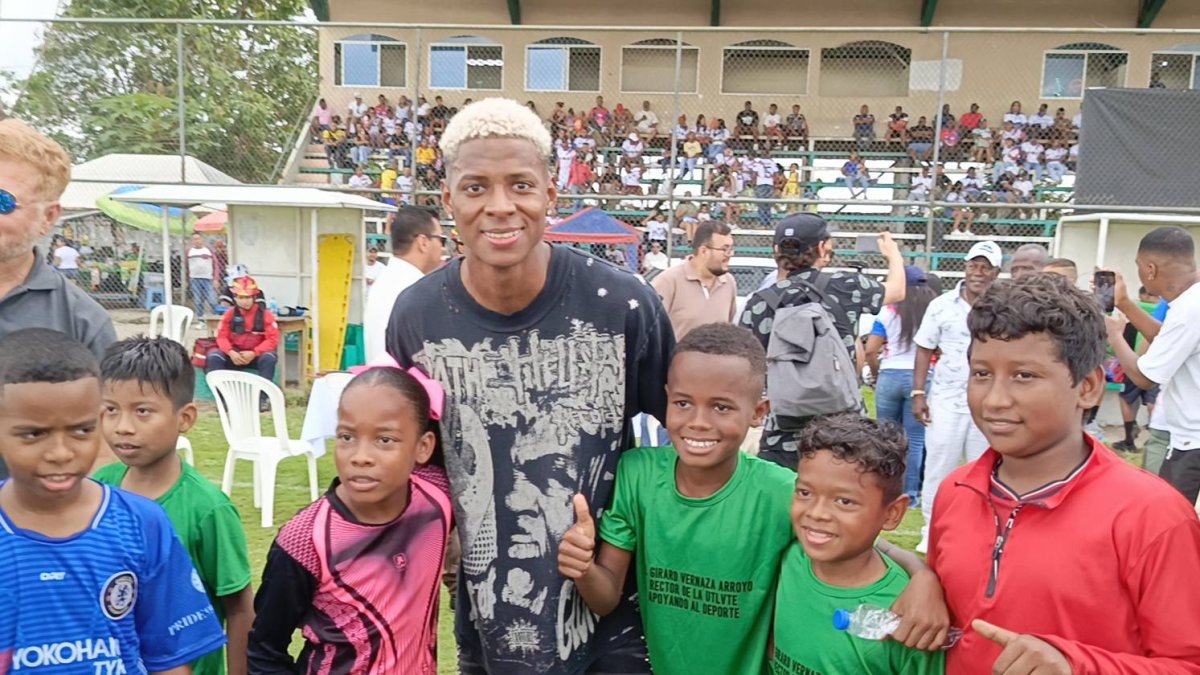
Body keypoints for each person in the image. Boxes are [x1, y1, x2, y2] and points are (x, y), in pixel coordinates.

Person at [384, 98, 673, 674]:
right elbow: (418, 451)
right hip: (487, 614)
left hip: (613, 618)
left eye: (520, 184)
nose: (499, 206)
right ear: (448, 201)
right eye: (475, 188)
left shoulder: (623, 304)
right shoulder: (417, 315)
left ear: (551, 193)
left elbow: (690, 440)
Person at [558, 324, 950, 675]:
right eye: (683, 403)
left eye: (721, 406)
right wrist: (583, 568)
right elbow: (605, 598)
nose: (698, 421)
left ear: (758, 412)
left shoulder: (782, 491)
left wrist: (922, 575)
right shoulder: (637, 473)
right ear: (666, 400)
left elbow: (855, 533)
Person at [929, 273, 1200, 673]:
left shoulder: (1152, 515)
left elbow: (1187, 662)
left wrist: (1077, 666)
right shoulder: (956, 490)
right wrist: (924, 581)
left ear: (1087, 387)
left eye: (1024, 375)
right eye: (982, 373)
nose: (995, 399)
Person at [0, 328, 227, 673]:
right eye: (34, 434)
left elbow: (170, 659)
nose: (61, 453)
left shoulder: (142, 524)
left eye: (81, 430)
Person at [247, 366, 452, 673]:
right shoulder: (304, 540)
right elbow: (265, 648)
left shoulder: (438, 498)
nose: (360, 456)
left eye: (384, 440)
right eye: (347, 437)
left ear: (423, 447)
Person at [95, 336, 254, 675]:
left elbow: (240, 607)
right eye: (111, 410)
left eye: (142, 411)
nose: (122, 426)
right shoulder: (98, 490)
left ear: (185, 418)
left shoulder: (207, 509)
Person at [771, 414, 945, 674]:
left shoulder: (908, 612)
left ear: (892, 514)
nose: (817, 513)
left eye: (844, 501)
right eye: (805, 493)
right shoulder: (790, 556)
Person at [739, 214, 905, 469]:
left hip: (783, 433)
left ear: (776, 251)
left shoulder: (759, 303)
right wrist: (892, 253)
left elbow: (748, 365)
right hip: (843, 431)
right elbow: (897, 290)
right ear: (821, 248)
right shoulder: (846, 286)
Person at [912, 240, 1002, 553]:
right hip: (946, 399)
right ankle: (930, 530)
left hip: (989, 401)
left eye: (985, 267)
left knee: (984, 468)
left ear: (996, 272)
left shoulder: (1003, 306)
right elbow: (924, 347)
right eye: (973, 265)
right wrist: (918, 392)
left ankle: (977, 529)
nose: (978, 273)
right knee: (940, 465)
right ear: (965, 267)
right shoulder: (942, 305)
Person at [1103, 226, 1200, 504]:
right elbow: (1165, 340)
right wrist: (1124, 304)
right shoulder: (1192, 302)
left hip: (1192, 443)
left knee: (1171, 522)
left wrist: (1114, 336)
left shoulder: (1188, 311)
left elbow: (1145, 377)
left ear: (1150, 269)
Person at [866, 266, 939, 506]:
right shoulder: (932, 312)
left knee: (886, 438)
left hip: (890, 374)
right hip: (920, 376)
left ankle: (885, 490)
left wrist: (876, 374)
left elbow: (870, 349)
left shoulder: (888, 311)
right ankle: (911, 495)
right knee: (915, 441)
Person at [363, 207, 446, 364]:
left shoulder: (387, 280)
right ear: (423, 242)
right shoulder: (415, 289)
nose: (443, 248)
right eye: (441, 240)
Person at [650, 222, 736, 340]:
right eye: (725, 249)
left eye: (731, 249)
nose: (730, 255)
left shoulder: (729, 283)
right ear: (703, 251)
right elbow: (651, 333)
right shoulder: (668, 281)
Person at [206, 276, 280, 395]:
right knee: (214, 356)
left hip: (256, 356)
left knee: (269, 358)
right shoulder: (229, 314)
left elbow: (273, 339)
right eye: (240, 297)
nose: (244, 301)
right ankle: (223, 399)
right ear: (235, 298)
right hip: (234, 355)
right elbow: (221, 337)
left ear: (254, 297)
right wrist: (230, 352)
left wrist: (254, 352)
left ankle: (263, 399)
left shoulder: (266, 315)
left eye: (247, 297)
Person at [1110, 286, 1162, 453]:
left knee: (1126, 399)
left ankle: (1129, 439)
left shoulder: (1131, 309)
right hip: (1160, 364)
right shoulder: (1170, 307)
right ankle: (1156, 439)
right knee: (1153, 401)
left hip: (1135, 362)